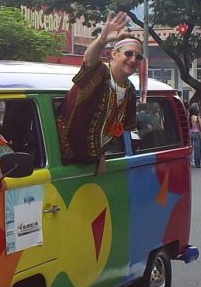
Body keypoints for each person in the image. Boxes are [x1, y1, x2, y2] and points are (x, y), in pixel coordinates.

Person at [57, 11, 141, 175]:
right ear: (114, 54)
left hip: (92, 164)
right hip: (62, 159)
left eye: (139, 57)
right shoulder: (100, 73)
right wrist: (102, 40)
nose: (133, 60)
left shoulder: (129, 90)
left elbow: (116, 128)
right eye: (129, 53)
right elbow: (89, 60)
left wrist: (101, 156)